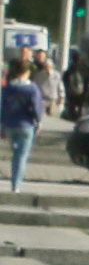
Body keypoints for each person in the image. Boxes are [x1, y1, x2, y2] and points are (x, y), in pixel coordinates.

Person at [1, 55, 47, 191]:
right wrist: (39, 121)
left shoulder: (7, 88)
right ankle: (16, 185)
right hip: (26, 125)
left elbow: (2, 107)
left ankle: (15, 181)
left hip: (10, 125)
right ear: (27, 72)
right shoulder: (32, 88)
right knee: (21, 156)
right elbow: (37, 107)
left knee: (16, 153)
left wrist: (1, 125)